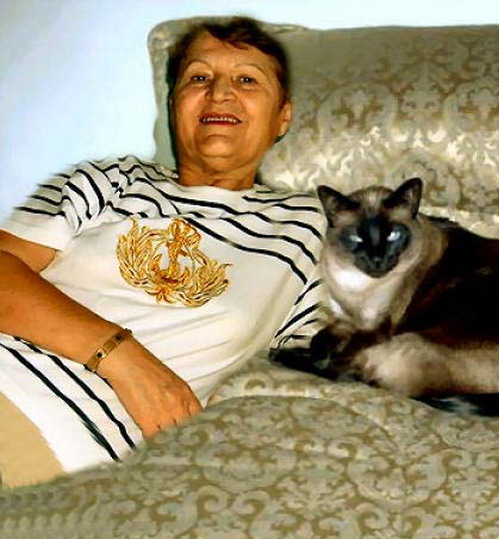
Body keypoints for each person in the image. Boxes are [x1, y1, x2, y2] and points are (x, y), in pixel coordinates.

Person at [0, 17, 325, 487]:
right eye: (199, 77)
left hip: (58, 436)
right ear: (174, 105)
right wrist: (120, 357)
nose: (219, 93)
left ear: (283, 117)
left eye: (247, 80)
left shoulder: (311, 229)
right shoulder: (107, 179)